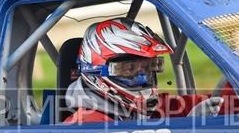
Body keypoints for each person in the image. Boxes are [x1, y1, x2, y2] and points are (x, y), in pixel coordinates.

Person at [64, 19, 223, 124]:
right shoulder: (84, 128)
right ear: (97, 72)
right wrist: (188, 131)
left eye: (148, 68)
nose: (141, 78)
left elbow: (219, 101)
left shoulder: (144, 109)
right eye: (129, 69)